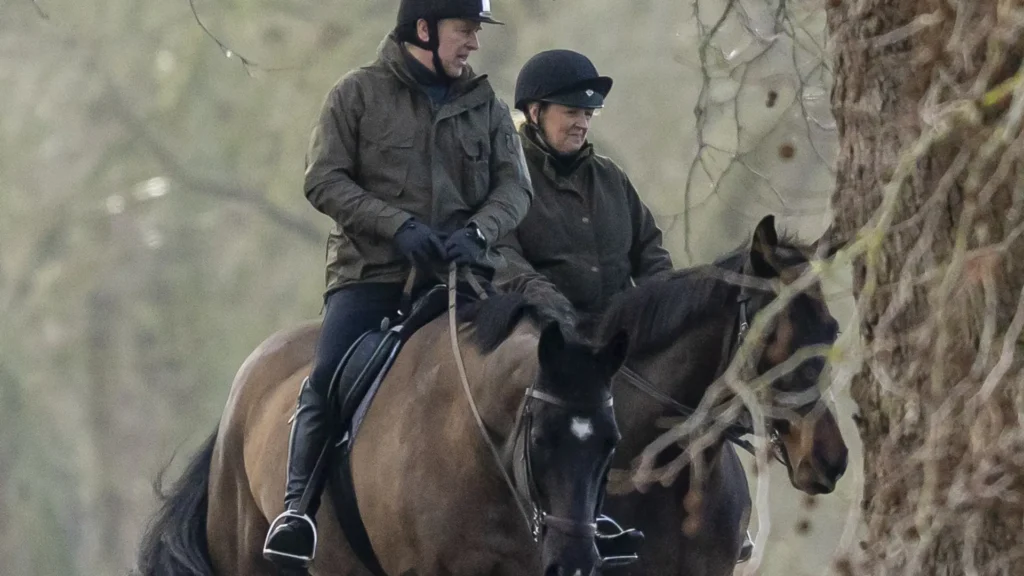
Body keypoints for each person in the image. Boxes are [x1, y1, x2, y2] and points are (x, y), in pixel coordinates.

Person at [262, 0, 533, 567]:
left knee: (538, 371)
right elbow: (324, 180)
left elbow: (516, 190)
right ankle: (297, 512)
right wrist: (398, 226)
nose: (474, 43)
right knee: (329, 375)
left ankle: (569, 518)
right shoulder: (356, 94)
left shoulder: (486, 106)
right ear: (425, 28)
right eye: (465, 30)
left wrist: (479, 233)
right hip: (373, 276)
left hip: (465, 281)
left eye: (475, 32)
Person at [494, 49, 673, 332]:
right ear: (535, 112)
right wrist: (553, 308)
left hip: (622, 335)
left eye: (588, 114)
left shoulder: (612, 178)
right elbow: (504, 260)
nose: (583, 124)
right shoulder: (505, 180)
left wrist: (663, 307)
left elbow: (651, 254)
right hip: (544, 336)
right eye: (571, 112)